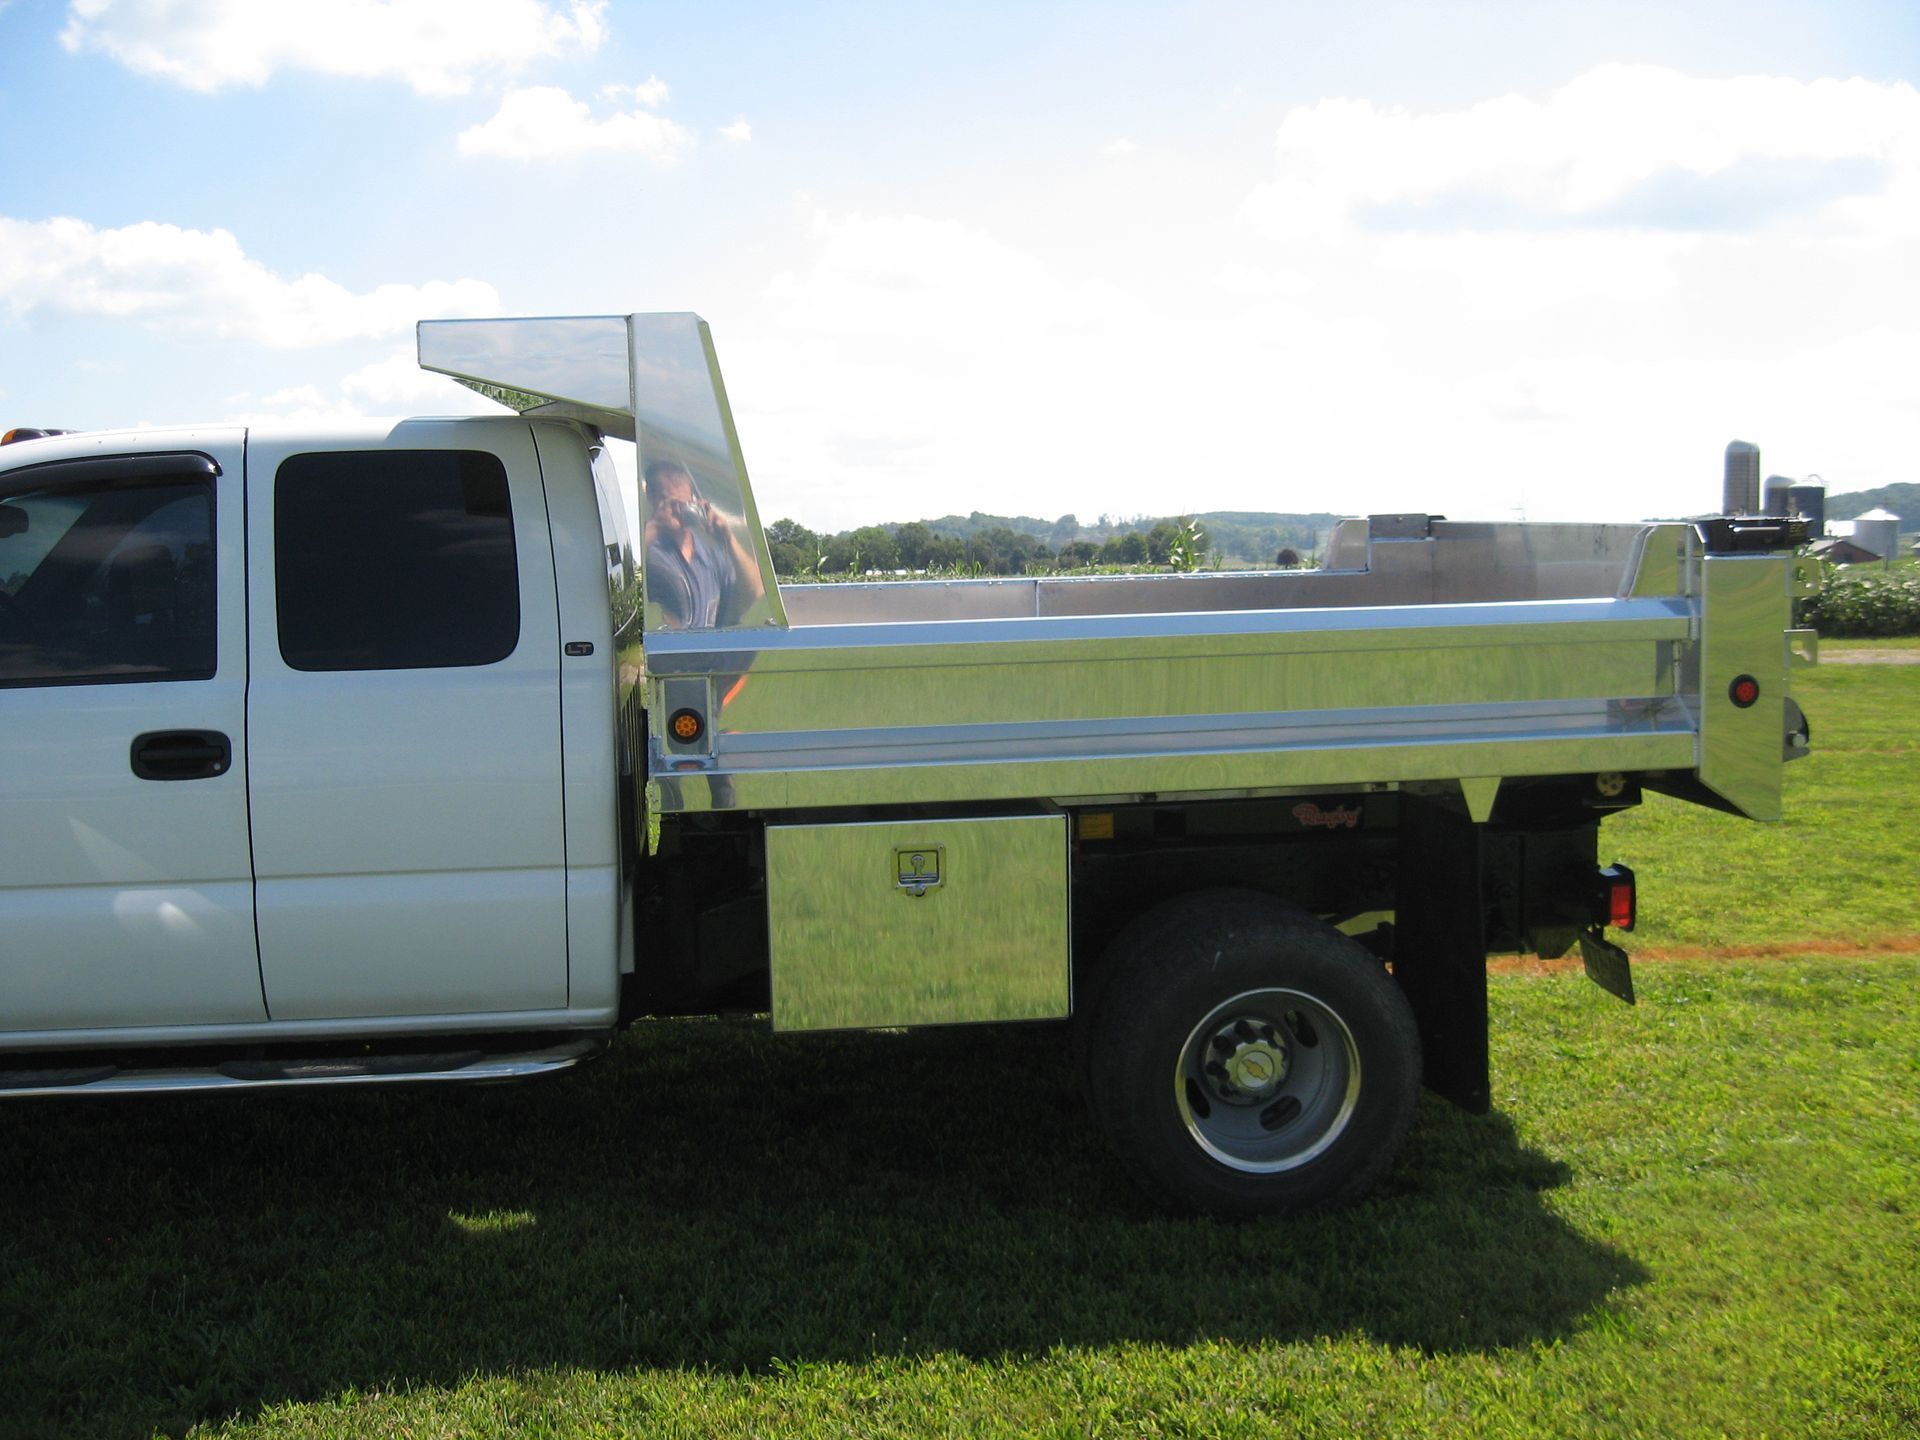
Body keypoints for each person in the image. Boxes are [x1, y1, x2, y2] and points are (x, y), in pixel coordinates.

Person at [642, 458, 764, 628]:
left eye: (684, 503)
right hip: (667, 651)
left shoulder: (711, 555)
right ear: (651, 497)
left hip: (706, 650)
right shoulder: (648, 552)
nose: (679, 510)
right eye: (670, 502)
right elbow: (626, 582)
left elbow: (756, 592)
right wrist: (655, 526)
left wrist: (729, 540)